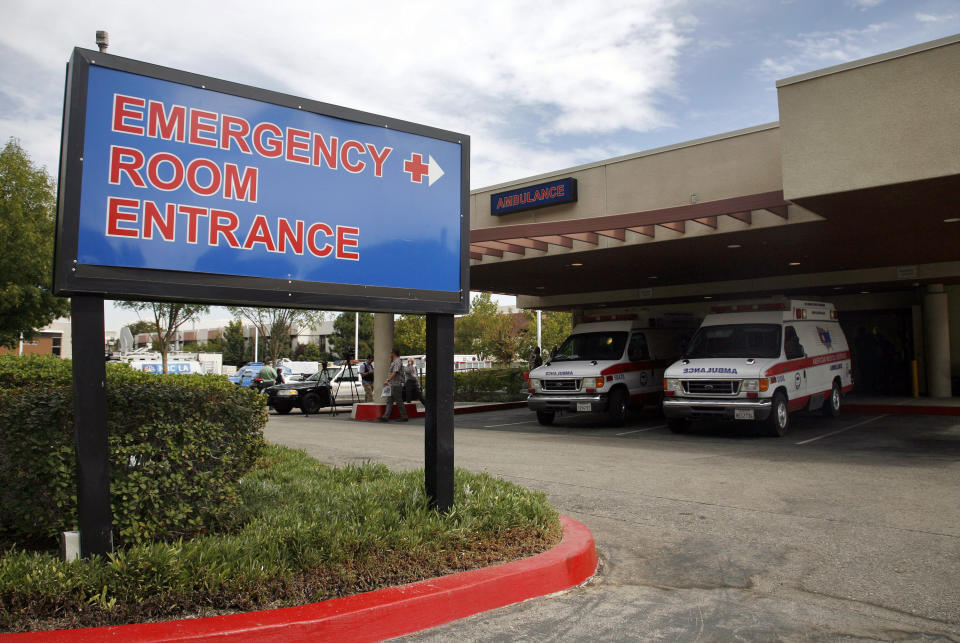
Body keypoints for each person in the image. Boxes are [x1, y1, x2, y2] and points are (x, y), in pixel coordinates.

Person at [379, 349, 408, 422]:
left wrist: (388, 380)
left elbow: (395, 372)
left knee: (398, 401)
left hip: (396, 384)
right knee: (390, 400)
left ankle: (404, 416)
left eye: (391, 352)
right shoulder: (395, 361)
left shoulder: (397, 361)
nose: (390, 353)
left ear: (394, 353)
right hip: (392, 384)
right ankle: (385, 417)